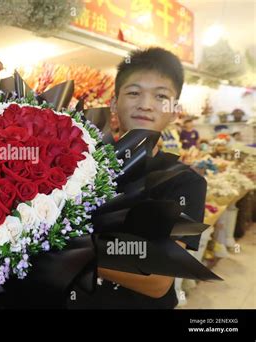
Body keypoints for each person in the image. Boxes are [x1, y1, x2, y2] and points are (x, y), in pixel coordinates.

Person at [74, 47, 207, 309]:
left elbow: (158, 281)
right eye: (134, 92)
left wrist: (62, 252)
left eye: (161, 96)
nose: (145, 104)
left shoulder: (184, 183)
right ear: (113, 103)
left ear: (174, 109)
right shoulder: (80, 161)